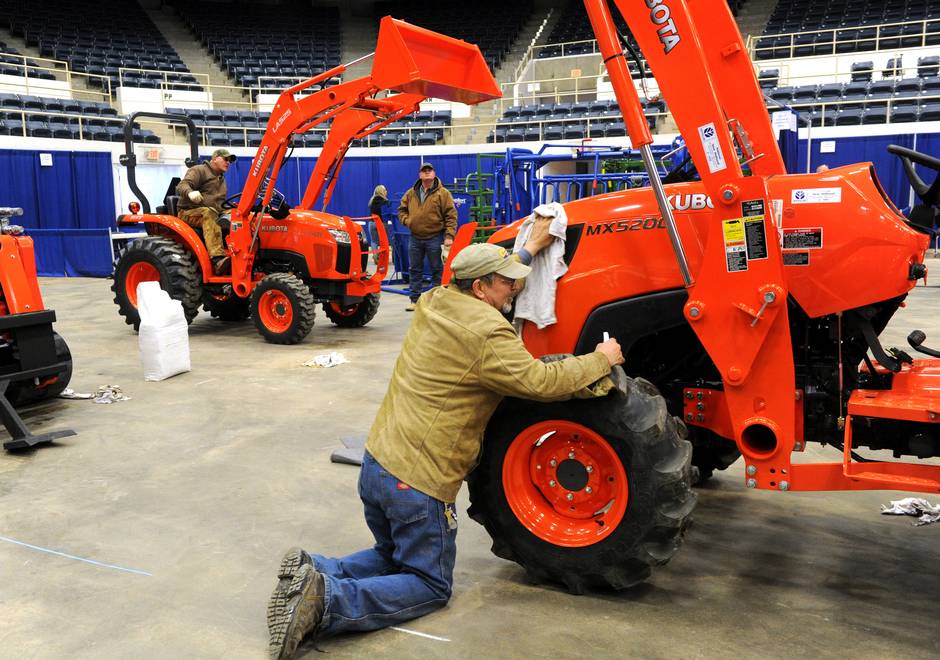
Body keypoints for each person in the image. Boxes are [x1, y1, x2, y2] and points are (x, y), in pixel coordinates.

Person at [266, 240, 625, 659]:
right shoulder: (489, 331)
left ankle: (314, 569)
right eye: (507, 282)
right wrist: (601, 359)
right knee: (429, 584)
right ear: (479, 287)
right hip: (416, 483)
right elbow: (539, 383)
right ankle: (327, 601)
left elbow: (488, 280)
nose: (515, 289)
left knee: (392, 553)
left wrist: (527, 250)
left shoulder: (436, 299)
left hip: (378, 463)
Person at [398, 163, 457, 311]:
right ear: (420, 175)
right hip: (415, 237)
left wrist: (449, 236)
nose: (427, 173)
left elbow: (451, 215)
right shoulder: (411, 193)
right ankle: (415, 301)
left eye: (429, 170)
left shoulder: (443, 193)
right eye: (424, 171)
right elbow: (401, 210)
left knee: (437, 269)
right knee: (414, 269)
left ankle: (436, 301)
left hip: (435, 237)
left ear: (434, 173)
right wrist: (408, 221)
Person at [176, 148, 237, 275]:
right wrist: (190, 192)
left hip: (213, 210)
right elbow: (182, 185)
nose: (228, 162)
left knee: (240, 215)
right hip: (188, 212)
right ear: (215, 159)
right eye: (225, 159)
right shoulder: (199, 170)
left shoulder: (221, 178)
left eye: (230, 160)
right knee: (209, 213)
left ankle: (242, 253)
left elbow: (219, 203)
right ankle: (217, 259)